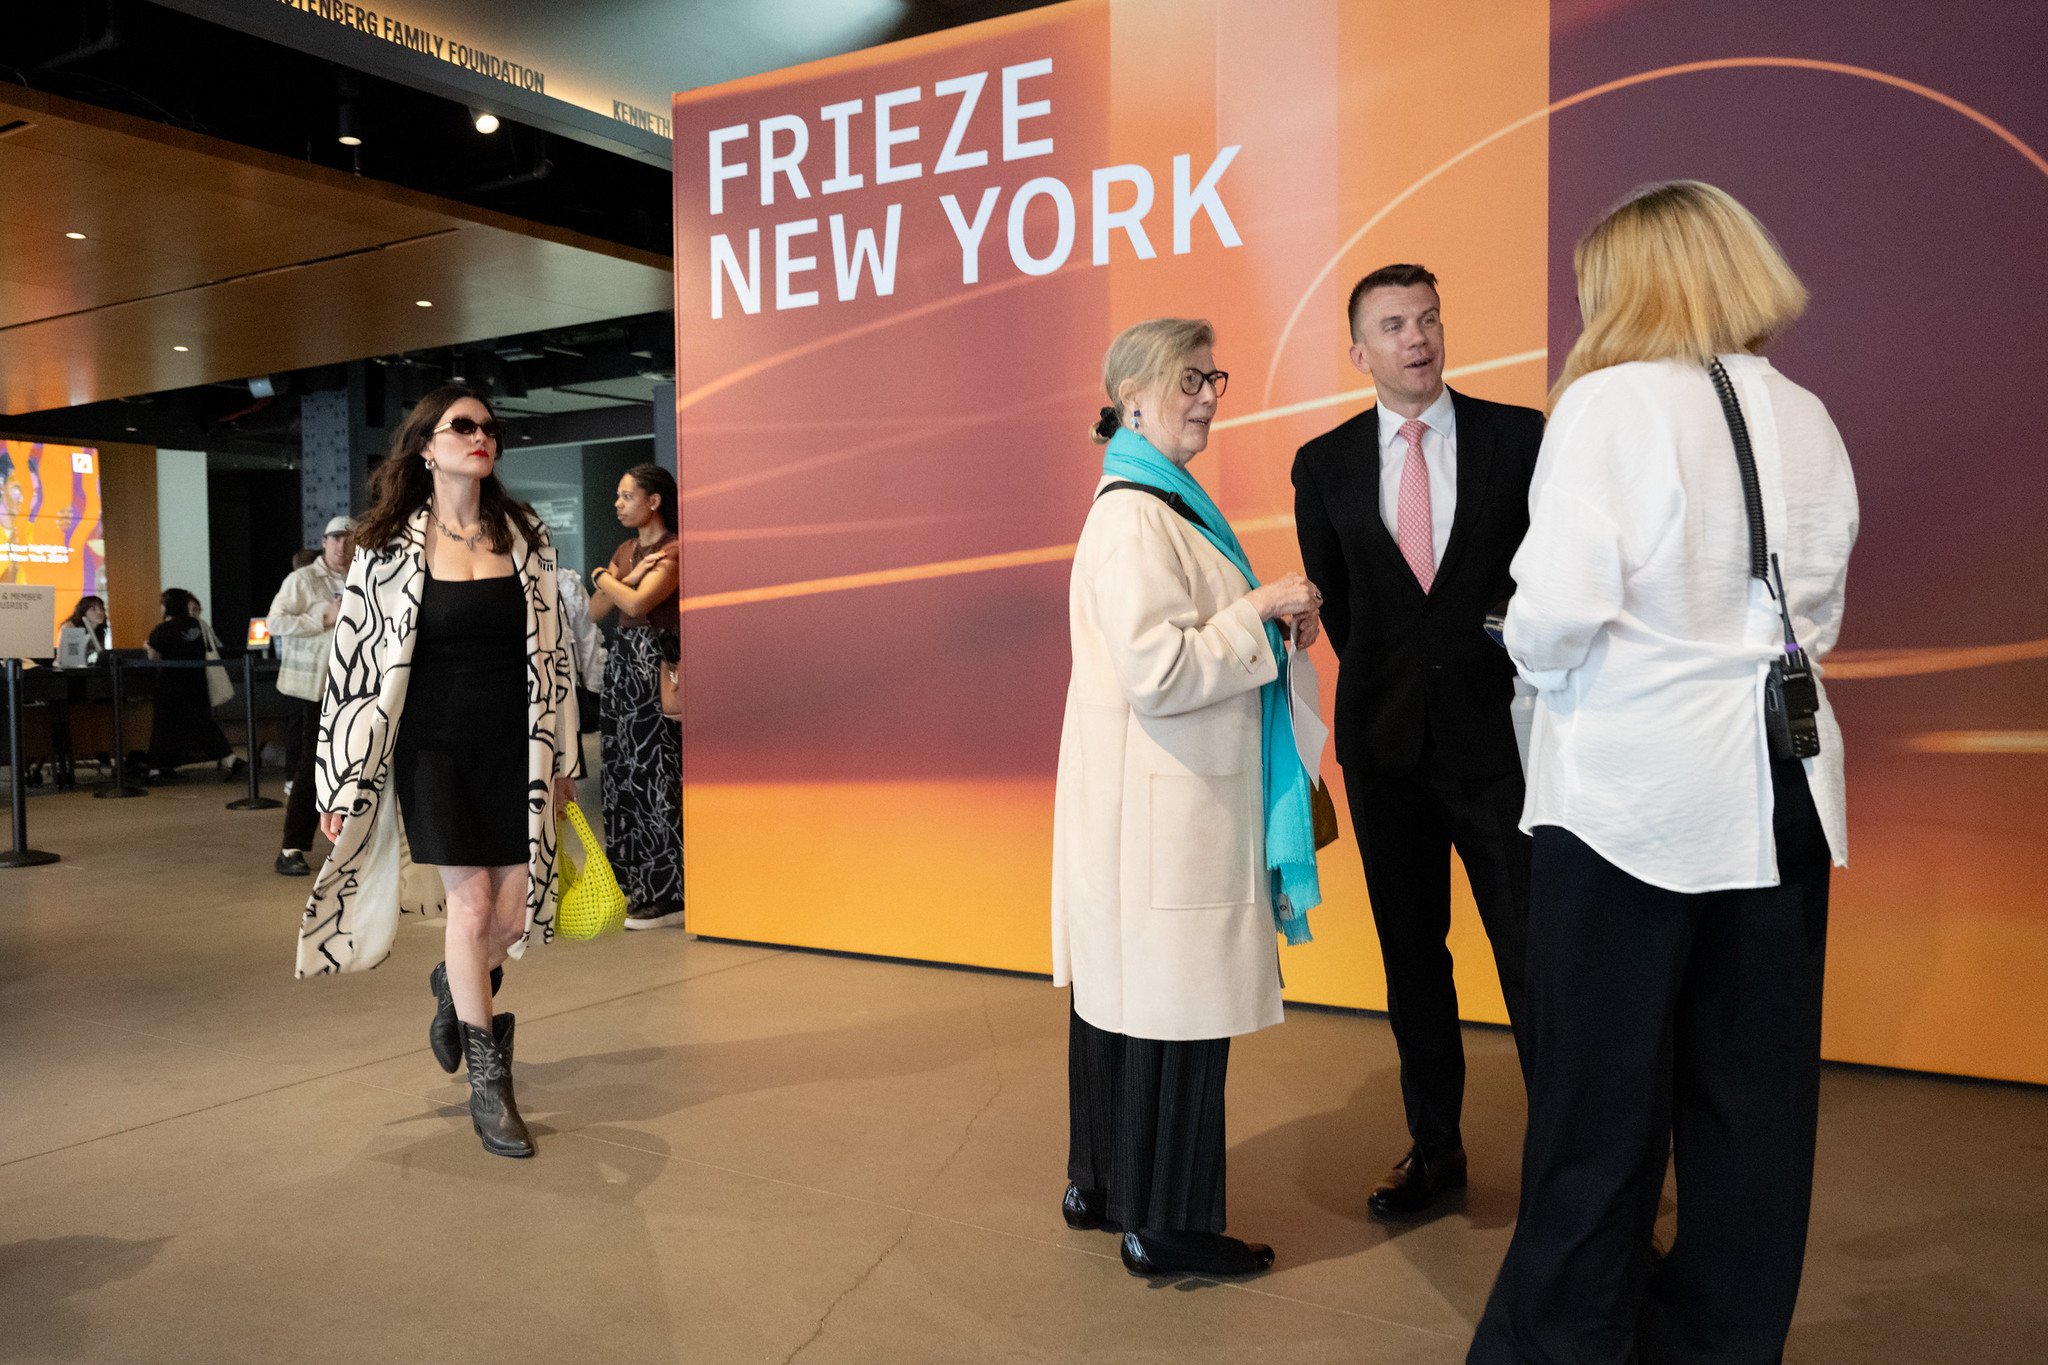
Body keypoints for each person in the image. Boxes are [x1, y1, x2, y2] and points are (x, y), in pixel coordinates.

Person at [1467, 181, 1856, 1364]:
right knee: (1752, 1110)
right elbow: (1819, 618)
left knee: (1596, 1106)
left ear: (1628, 284)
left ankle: (1569, 1344)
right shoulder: (1806, 412)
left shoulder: (1609, 405)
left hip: (1633, 801)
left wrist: (1517, 641)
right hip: (1783, 790)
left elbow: (1558, 614)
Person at [1052, 317, 1325, 1279]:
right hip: (1167, 812)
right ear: (1131, 396)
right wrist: (1257, 611)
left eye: (1212, 375)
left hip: (1154, 804)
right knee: (1175, 1013)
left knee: (1129, 1004)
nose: (1208, 393)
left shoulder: (1151, 504)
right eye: (1186, 379)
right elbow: (1160, 668)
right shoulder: (1138, 516)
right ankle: (1167, 1227)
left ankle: (1109, 1186)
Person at [1291, 264, 1545, 1217]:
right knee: (1413, 957)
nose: (1418, 337)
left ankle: (1575, 1171)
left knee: (1531, 955)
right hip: (1386, 753)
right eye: (1395, 324)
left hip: (1503, 748)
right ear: (1359, 352)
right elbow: (1344, 610)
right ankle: (1435, 1149)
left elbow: (1546, 577)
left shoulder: (1520, 438)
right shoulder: (1323, 464)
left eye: (1430, 318)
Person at [296, 385, 581, 1162]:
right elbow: (351, 672)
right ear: (426, 445)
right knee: (471, 905)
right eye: (464, 426)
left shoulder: (524, 534)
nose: (480, 436)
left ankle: (455, 991)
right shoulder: (385, 546)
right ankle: (491, 1087)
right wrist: (339, 781)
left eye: (489, 427)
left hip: (514, 746)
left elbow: (555, 659)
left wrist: (563, 758)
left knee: (513, 918)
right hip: (433, 748)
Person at [587, 463, 684, 930]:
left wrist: (601, 574)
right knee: (623, 774)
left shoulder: (674, 550)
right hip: (623, 666)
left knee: (657, 774)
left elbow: (636, 604)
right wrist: (621, 577)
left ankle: (670, 889)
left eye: (627, 496)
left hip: (653, 665)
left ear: (654, 501)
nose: (618, 503)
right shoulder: (628, 550)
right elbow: (593, 612)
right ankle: (637, 883)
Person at [268, 517, 352, 877]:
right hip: (313, 689)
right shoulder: (302, 580)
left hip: (354, 688)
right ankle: (292, 848)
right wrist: (323, 616)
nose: (342, 546)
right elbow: (276, 622)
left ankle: (355, 846)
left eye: (349, 539)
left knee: (352, 766)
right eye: (336, 539)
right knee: (311, 768)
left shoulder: (363, 576)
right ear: (323, 542)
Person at [144, 587, 238, 783]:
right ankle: (231, 759)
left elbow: (154, 657)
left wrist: (147, 646)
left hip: (170, 686)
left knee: (164, 727)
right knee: (203, 724)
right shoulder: (196, 626)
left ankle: (157, 770)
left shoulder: (162, 629)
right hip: (197, 683)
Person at [56, 595, 108, 668]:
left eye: (101, 608)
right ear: (83, 612)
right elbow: (68, 659)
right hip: (70, 671)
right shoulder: (70, 627)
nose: (99, 612)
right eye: (93, 609)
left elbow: (101, 657)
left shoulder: (99, 630)